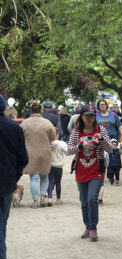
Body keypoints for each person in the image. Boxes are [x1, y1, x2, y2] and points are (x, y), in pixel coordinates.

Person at [67, 104, 112, 242]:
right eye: (87, 115)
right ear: (81, 116)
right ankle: (87, 226)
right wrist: (81, 146)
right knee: (84, 201)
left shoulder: (100, 129)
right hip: (81, 170)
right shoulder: (76, 131)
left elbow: (110, 149)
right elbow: (69, 150)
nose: (89, 118)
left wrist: (102, 139)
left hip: (96, 170)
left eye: (92, 115)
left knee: (92, 198)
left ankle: (93, 228)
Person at [0, 94, 28, 259]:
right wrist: (13, 177)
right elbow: (23, 159)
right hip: (6, 183)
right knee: (1, 223)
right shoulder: (13, 128)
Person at [21, 102, 56, 208]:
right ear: (41, 110)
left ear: (31, 110)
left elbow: (20, 137)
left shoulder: (24, 123)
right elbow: (53, 137)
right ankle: (43, 197)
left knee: (34, 177)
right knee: (45, 175)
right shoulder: (47, 122)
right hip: (45, 151)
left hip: (30, 152)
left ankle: (35, 201)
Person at [47, 127, 70, 206]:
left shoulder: (47, 143)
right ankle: (58, 199)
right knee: (58, 183)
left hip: (50, 166)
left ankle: (49, 198)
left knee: (50, 182)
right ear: (57, 135)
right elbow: (67, 153)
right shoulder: (62, 143)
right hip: (59, 166)